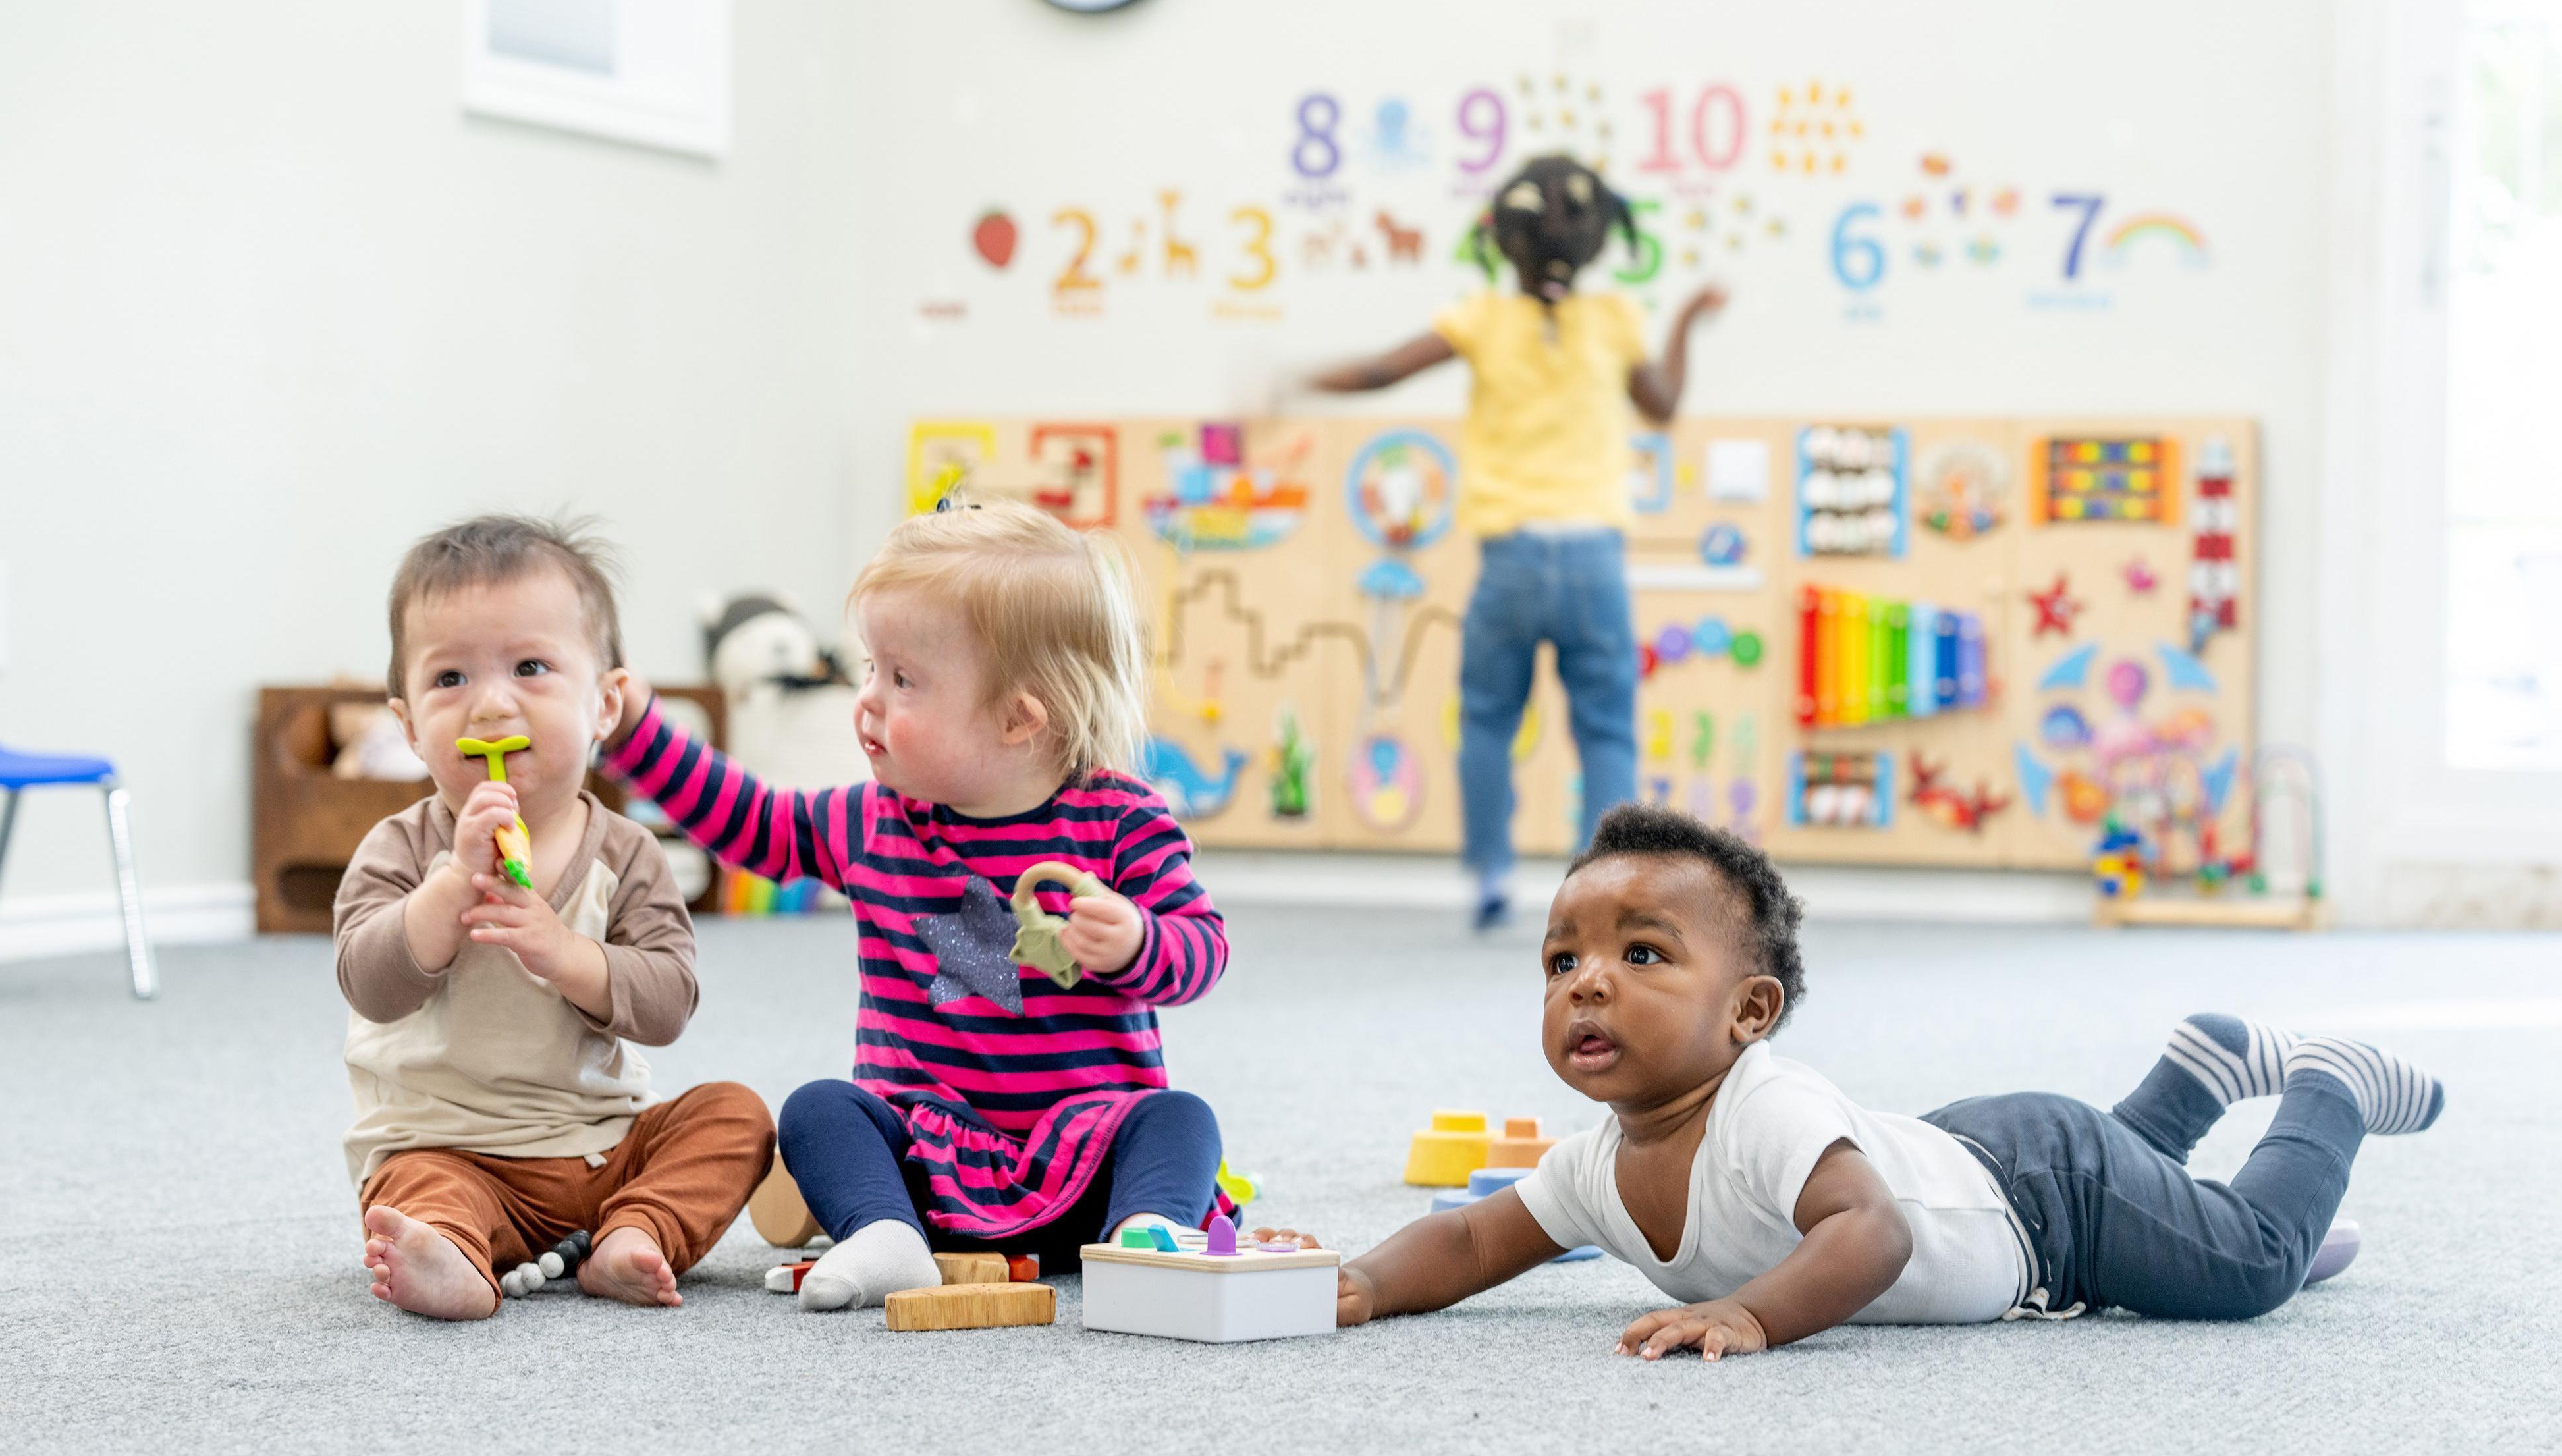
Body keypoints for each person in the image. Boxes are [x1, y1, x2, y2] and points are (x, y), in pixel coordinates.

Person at [1278, 803, 2443, 1358]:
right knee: (2162, 1195)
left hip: (2053, 1200)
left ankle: (2325, 1085)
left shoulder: (1765, 1107)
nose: (1586, 982)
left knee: (2244, 1260)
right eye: (1562, 959)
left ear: (1749, 1012)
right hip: (1981, 1157)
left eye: (1640, 954)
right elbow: (1479, 1240)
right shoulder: (1596, 1163)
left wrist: (1751, 1309)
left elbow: (1874, 1232)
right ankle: (2192, 1078)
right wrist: (1367, 1281)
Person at [605, 501, 1232, 1310]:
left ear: (1018, 718)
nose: (866, 700)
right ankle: (884, 1237)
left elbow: (1202, 949)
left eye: (902, 680)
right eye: (869, 667)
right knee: (819, 1111)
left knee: (1178, 1119)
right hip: (928, 1162)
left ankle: (1146, 1234)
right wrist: (639, 736)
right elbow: (750, 823)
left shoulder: (1120, 820)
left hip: (1087, 1156)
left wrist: (1141, 941)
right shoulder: (871, 822)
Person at [340, 515, 775, 1320]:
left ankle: (634, 1232)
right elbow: (369, 985)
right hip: (451, 1145)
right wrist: (444, 894)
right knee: (412, 1182)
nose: (490, 706)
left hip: (603, 1147)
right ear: (406, 726)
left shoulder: (627, 853)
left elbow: (669, 1002)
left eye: (530, 668)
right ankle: (450, 1253)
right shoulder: (400, 846)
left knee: (735, 1116)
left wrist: (565, 953)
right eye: (449, 680)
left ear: (606, 704)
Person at [1313, 155, 1727, 928]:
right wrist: (1684, 321)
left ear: (1503, 238)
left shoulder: (1478, 319)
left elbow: (1378, 373)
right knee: (1605, 725)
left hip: (1508, 559)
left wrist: (1298, 379)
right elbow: (1664, 406)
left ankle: (1488, 878)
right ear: (1599, 237)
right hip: (1594, 557)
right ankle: (1610, 892)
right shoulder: (1613, 321)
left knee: (1487, 721)